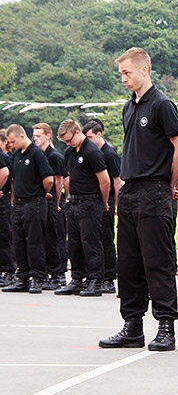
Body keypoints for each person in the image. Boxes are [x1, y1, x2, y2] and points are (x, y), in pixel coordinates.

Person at [98, 47, 178, 352]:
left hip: (154, 190)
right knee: (129, 262)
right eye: (121, 73)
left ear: (144, 70)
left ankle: (165, 326)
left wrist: (171, 181)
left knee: (158, 262)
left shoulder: (162, 104)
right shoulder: (129, 107)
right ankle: (132, 325)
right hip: (131, 191)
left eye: (127, 72)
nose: (123, 78)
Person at [55, 119, 109, 297]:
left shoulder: (92, 151)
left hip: (90, 201)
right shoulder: (70, 153)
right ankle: (78, 278)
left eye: (69, 140)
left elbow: (105, 180)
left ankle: (95, 280)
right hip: (75, 202)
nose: (68, 144)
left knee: (91, 242)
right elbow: (69, 177)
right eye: (65, 142)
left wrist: (104, 202)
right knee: (75, 243)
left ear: (78, 133)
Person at [2, 124, 53, 294]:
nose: (11, 145)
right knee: (18, 242)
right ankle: (22, 276)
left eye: (13, 141)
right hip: (19, 203)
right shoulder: (16, 155)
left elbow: (49, 179)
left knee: (34, 242)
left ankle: (38, 277)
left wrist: (39, 193)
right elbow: (14, 179)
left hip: (34, 202)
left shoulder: (37, 153)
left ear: (22, 137)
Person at [83, 119, 123, 294]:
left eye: (90, 137)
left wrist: (116, 205)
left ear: (100, 134)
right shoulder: (90, 152)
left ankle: (109, 277)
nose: (88, 140)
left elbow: (117, 181)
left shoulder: (109, 153)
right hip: (92, 202)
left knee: (106, 240)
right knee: (93, 240)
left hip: (106, 202)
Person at [32, 123, 68, 290]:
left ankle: (57, 274)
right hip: (41, 199)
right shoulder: (38, 154)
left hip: (53, 199)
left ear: (48, 135)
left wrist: (59, 202)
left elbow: (59, 180)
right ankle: (47, 270)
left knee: (54, 237)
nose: (35, 138)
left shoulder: (54, 156)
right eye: (34, 135)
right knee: (43, 238)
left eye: (38, 135)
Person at [0, 129, 14, 287]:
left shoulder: (4, 157)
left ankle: (8, 271)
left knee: (5, 237)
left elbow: (6, 174)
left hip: (3, 200)